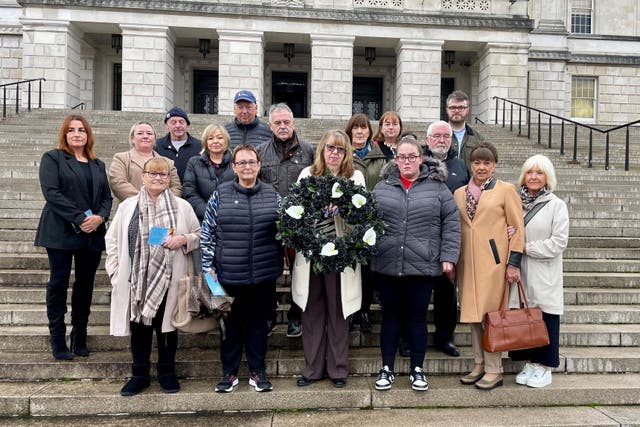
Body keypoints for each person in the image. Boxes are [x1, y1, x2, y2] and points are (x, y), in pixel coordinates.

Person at [370, 136, 460, 392]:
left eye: (412, 157)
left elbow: (451, 225)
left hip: (422, 266)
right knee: (391, 318)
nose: (406, 161)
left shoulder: (438, 188)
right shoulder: (383, 186)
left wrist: (448, 257)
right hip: (387, 264)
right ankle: (387, 368)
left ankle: (417, 369)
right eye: (401, 157)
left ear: (421, 159)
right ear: (395, 159)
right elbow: (369, 221)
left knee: (417, 319)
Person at [106, 157, 201, 397]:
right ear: (143, 176)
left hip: (171, 277)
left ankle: (167, 373)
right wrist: (115, 270)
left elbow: (198, 234)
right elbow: (113, 239)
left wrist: (184, 239)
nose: (158, 178)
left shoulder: (182, 206)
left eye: (163, 174)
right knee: (140, 327)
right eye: (153, 174)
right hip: (137, 279)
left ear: (169, 179)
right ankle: (139, 375)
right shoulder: (128, 205)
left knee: (167, 328)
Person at [201, 144, 284, 393]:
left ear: (259, 166)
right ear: (234, 167)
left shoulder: (273, 195)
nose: (247, 167)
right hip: (229, 274)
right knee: (231, 327)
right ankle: (229, 373)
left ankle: (258, 373)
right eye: (242, 163)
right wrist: (207, 266)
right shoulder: (221, 194)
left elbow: (285, 230)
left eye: (252, 162)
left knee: (259, 325)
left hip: (263, 274)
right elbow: (207, 231)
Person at [35, 114, 113, 360]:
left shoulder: (97, 164)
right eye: (71, 130)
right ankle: (57, 338)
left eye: (81, 130)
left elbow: (106, 198)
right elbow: (52, 193)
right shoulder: (53, 158)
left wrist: (100, 217)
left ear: (88, 135)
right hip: (60, 230)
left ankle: (79, 335)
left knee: (85, 285)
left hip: (92, 233)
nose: (77, 133)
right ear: (65, 135)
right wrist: (81, 218)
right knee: (58, 284)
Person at [292, 129, 365, 389]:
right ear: (322, 150)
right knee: (312, 312)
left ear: (346, 153)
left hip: (340, 255)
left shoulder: (354, 176)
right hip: (312, 255)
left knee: (338, 312)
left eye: (340, 149)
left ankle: (338, 369)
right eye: (330, 148)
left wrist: (342, 206)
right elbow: (295, 211)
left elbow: (362, 212)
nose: (334, 153)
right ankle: (312, 369)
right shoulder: (307, 175)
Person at [454, 142, 525, 390]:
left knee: (492, 317)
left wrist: (512, 263)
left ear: (494, 165)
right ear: (470, 164)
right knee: (473, 317)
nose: (481, 167)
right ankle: (479, 364)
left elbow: (518, 228)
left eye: (487, 163)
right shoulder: (460, 193)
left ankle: (495, 369)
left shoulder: (505, 190)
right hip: (467, 265)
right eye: (477, 162)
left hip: (494, 264)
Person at [509, 154, 569, 388]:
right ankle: (531, 363)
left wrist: (525, 247)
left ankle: (545, 366)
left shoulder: (556, 205)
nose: (534, 177)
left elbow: (559, 242)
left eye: (539, 173)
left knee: (545, 317)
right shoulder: (516, 202)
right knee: (525, 317)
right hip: (521, 271)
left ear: (548, 177)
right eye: (530, 172)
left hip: (544, 270)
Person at [257, 103, 315, 338]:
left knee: (299, 272)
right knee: (270, 272)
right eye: (277, 123)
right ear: (270, 126)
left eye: (286, 122)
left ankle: (295, 316)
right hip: (269, 223)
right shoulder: (259, 152)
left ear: (294, 123)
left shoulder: (309, 151)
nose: (282, 126)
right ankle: (269, 315)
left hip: (300, 226)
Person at [423, 120, 471, 358]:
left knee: (446, 293)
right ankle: (412, 338)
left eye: (446, 136)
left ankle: (445, 337)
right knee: (418, 294)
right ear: (428, 139)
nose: (441, 140)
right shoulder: (417, 162)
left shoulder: (461, 166)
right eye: (436, 136)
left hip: (449, 238)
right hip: (420, 239)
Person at [344, 113, 387, 334]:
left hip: (371, 221)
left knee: (368, 270)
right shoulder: (343, 154)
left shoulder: (379, 157)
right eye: (355, 128)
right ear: (349, 131)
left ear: (370, 132)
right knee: (351, 269)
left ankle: (364, 311)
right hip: (347, 222)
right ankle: (350, 311)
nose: (359, 132)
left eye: (364, 128)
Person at [108, 121, 181, 202]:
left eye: (149, 133)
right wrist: (146, 200)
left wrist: (163, 201)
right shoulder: (121, 158)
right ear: (132, 138)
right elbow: (118, 183)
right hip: (133, 209)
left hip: (163, 209)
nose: (145, 136)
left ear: (154, 138)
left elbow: (176, 187)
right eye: (140, 133)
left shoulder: (168, 162)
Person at [182, 124, 235, 221]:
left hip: (231, 218)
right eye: (210, 138)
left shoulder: (236, 162)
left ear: (226, 141)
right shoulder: (194, 163)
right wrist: (209, 212)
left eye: (219, 138)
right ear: (206, 142)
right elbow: (190, 193)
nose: (215, 141)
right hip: (202, 219)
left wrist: (226, 212)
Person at [155, 107, 201, 182]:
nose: (178, 125)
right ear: (167, 125)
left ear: (187, 125)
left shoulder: (199, 146)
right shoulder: (157, 146)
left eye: (181, 122)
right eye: (173, 122)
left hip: (191, 191)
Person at [446, 90, 485, 166]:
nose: (456, 111)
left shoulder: (478, 138)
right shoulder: (438, 136)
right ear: (447, 110)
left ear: (468, 110)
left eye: (461, 107)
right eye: (452, 107)